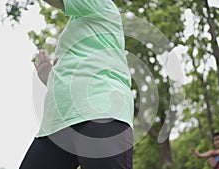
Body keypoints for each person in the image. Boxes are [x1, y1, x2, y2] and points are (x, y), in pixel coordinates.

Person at [19, 0, 134, 169]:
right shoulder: (78, 25)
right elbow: (77, 73)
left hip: (100, 111)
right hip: (56, 123)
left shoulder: (101, 4)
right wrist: (49, 77)